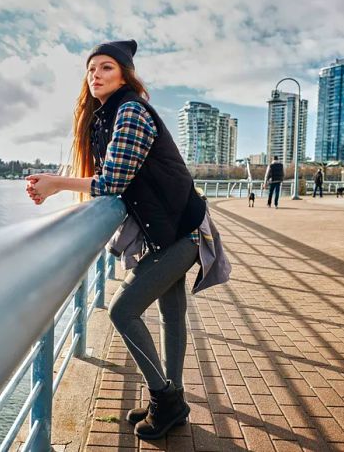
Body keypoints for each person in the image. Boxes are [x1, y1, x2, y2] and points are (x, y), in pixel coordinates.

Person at [25, 40, 228, 440]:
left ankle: (164, 400)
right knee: (171, 315)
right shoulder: (106, 117)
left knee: (122, 311)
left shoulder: (131, 111)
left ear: (124, 75)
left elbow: (114, 181)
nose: (95, 75)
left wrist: (55, 184)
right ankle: (175, 401)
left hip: (184, 232)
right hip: (169, 231)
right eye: (91, 70)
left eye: (105, 68)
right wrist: (55, 183)